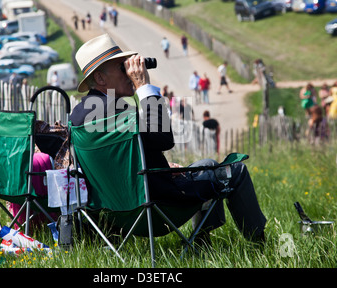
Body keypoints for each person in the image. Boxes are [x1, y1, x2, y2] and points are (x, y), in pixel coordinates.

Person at [69, 34, 266, 244]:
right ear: (100, 78)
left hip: (118, 214)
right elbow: (164, 139)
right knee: (235, 170)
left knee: (207, 164)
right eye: (122, 67)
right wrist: (144, 87)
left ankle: (201, 242)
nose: (130, 72)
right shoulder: (118, 114)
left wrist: (160, 168)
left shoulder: (79, 117)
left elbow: (118, 161)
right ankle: (259, 244)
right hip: (157, 207)